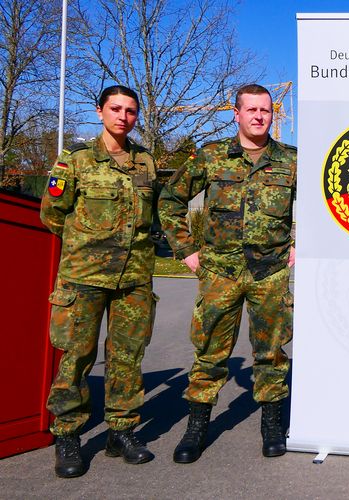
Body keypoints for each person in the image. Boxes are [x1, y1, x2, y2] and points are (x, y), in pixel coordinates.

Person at [158, 84, 297, 462]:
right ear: (236, 114)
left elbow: (319, 207)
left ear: (273, 114)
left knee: (271, 353)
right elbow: (170, 200)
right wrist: (186, 250)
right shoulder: (212, 156)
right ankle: (196, 428)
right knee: (209, 354)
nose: (258, 116)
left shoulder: (291, 160)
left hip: (270, 273)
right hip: (220, 272)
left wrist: (299, 243)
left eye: (265, 111)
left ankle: (271, 425)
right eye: (251, 110)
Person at [41, 85, 158, 478]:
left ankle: (121, 431)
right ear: (99, 112)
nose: (123, 117)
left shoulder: (145, 162)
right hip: (84, 277)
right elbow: (52, 213)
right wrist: (88, 243)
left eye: (130, 111)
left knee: (127, 357)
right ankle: (69, 435)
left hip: (134, 277)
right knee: (76, 358)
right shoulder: (75, 160)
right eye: (115, 109)